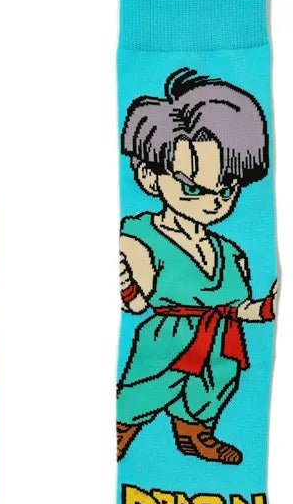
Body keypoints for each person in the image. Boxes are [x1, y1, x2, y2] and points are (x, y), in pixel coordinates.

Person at [117, 68, 276, 465]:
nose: (214, 201)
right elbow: (136, 306)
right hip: (165, 344)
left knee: (212, 389)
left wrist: (264, 308)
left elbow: (236, 307)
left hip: (220, 341)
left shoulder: (230, 252)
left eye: (227, 188)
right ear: (149, 176)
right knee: (145, 390)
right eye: (192, 188)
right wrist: (127, 285)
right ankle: (122, 430)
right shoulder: (139, 238)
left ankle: (194, 434)